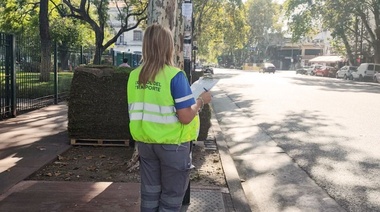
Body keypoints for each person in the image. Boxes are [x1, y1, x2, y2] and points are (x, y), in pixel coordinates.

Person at [127, 24, 212, 212]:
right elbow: (185, 117)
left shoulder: (134, 76)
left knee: (150, 194)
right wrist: (200, 101)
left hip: (145, 144)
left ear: (145, 46)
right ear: (168, 47)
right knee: (172, 197)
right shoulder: (175, 76)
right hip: (173, 145)